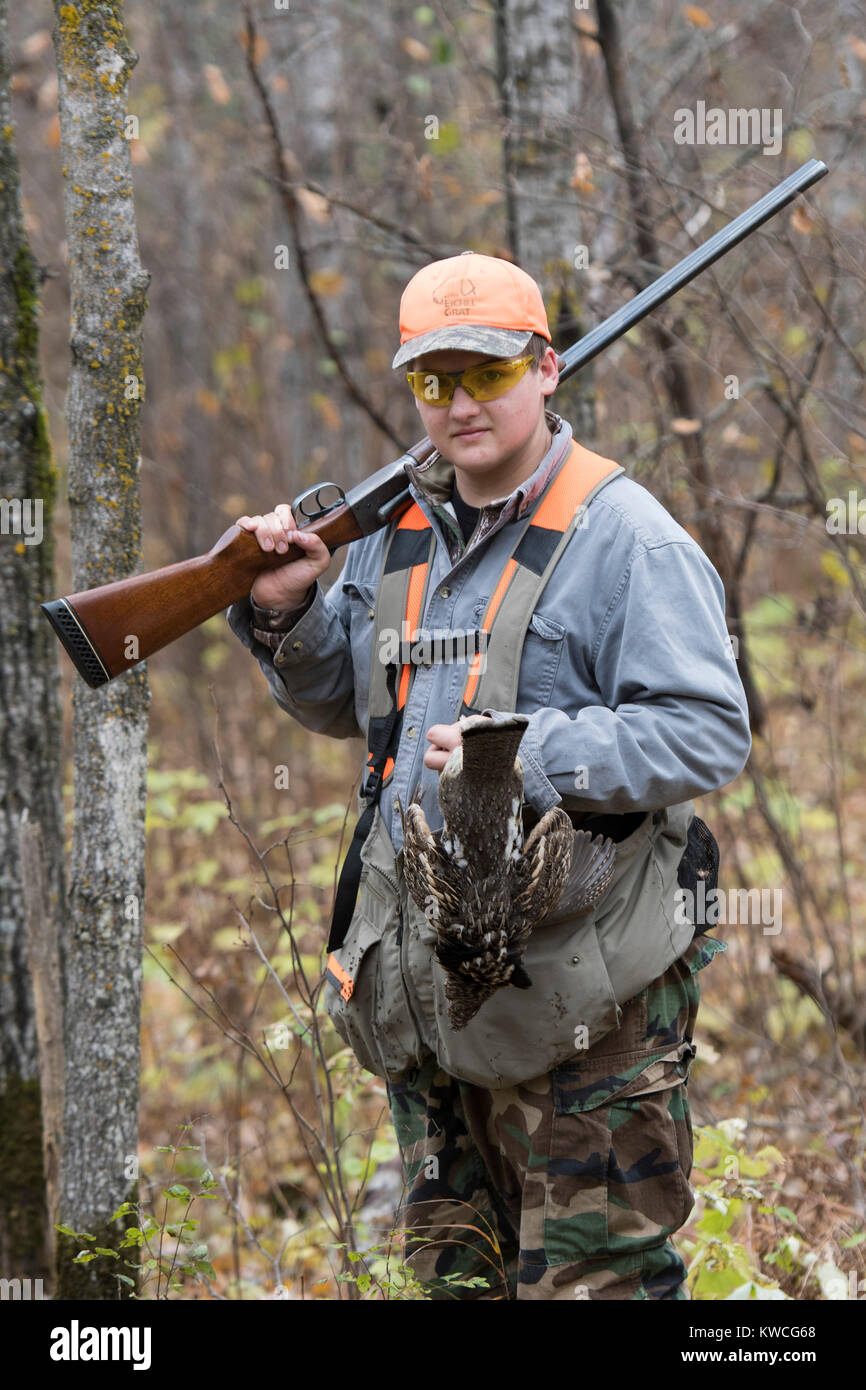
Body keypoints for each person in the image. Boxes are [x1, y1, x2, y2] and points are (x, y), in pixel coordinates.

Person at [227, 251, 752, 1300]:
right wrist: (287, 610)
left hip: (585, 1003)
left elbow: (705, 733)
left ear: (545, 368)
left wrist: (523, 752)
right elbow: (351, 703)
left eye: (486, 373)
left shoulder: (625, 536)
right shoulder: (397, 533)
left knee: (596, 1284)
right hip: (429, 994)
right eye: (432, 381)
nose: (459, 403)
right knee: (454, 1283)